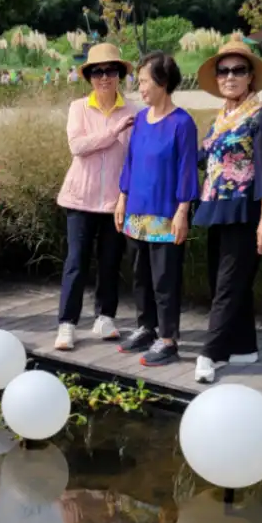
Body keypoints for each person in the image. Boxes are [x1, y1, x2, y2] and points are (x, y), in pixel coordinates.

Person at [192, 38, 262, 385]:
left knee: (228, 285)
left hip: (245, 212)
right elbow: (203, 159)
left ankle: (210, 353)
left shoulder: (261, 117)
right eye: (223, 71)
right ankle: (243, 346)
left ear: (250, 78)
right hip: (215, 208)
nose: (230, 77)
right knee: (223, 282)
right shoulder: (220, 119)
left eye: (238, 70)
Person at [114, 52, 198, 367]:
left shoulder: (182, 123)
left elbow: (188, 170)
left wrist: (182, 212)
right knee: (140, 275)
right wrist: (121, 198)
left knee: (165, 278)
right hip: (136, 211)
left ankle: (168, 339)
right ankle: (145, 328)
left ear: (163, 82)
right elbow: (130, 162)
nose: (140, 87)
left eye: (145, 81)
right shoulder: (141, 121)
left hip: (166, 212)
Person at [54, 44, 136, 351]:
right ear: (89, 76)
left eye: (111, 71)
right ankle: (67, 324)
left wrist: (126, 197)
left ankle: (105, 317)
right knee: (76, 262)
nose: (104, 77)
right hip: (79, 199)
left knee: (110, 261)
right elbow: (78, 145)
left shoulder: (134, 111)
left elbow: (133, 157)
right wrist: (113, 131)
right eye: (98, 72)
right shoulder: (78, 108)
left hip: (115, 201)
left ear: (120, 75)